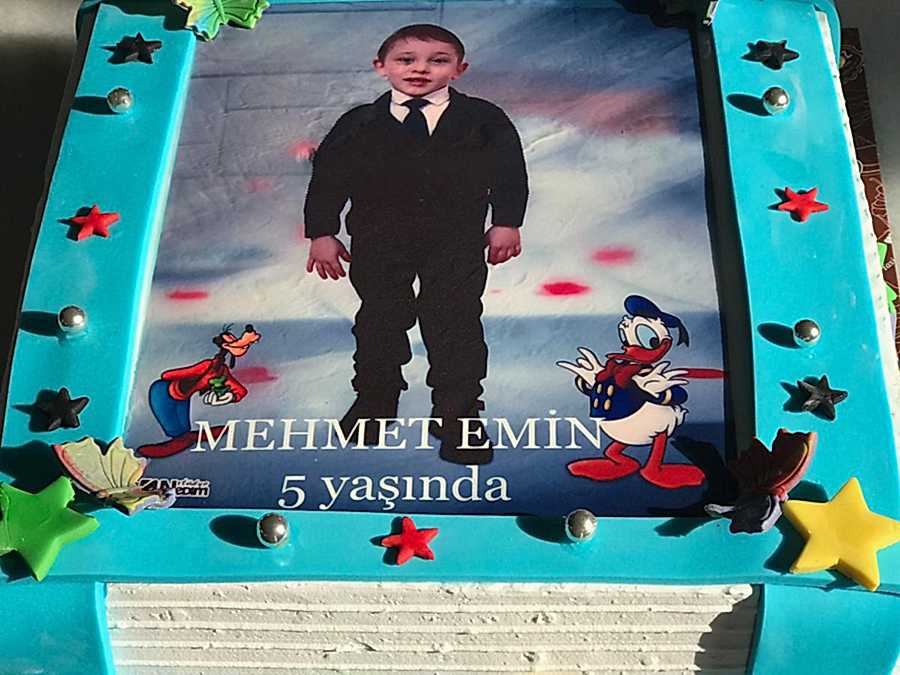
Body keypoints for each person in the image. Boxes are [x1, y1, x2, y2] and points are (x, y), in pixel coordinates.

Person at [303, 23, 529, 465]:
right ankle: (375, 400)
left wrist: (507, 222)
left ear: (459, 69)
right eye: (406, 60)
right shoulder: (359, 123)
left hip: (456, 240)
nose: (420, 69)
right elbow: (328, 179)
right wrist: (322, 233)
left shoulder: (484, 119)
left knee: (456, 321)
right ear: (381, 66)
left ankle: (458, 413)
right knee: (380, 318)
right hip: (378, 240)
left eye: (438, 60)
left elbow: (509, 171)